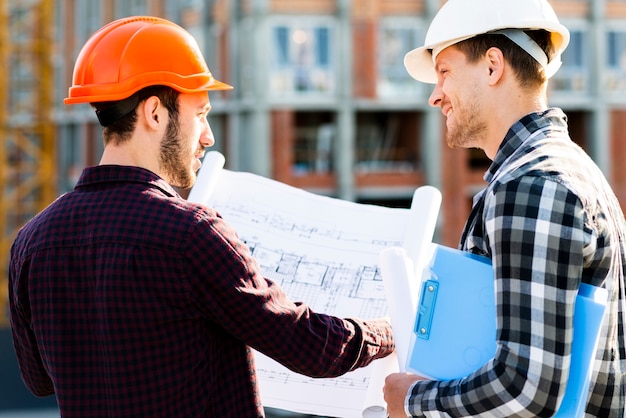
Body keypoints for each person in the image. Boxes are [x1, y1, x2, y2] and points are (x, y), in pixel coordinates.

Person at [8, 16, 395, 417]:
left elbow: (39, 380)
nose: (208, 136)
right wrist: (388, 329)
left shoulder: (31, 242)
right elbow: (313, 349)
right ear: (154, 113)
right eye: (201, 113)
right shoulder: (191, 234)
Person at [383, 0, 626, 417]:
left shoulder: (532, 186)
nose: (435, 95)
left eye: (445, 73)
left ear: (493, 66)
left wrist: (411, 401)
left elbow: (525, 390)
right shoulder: (567, 170)